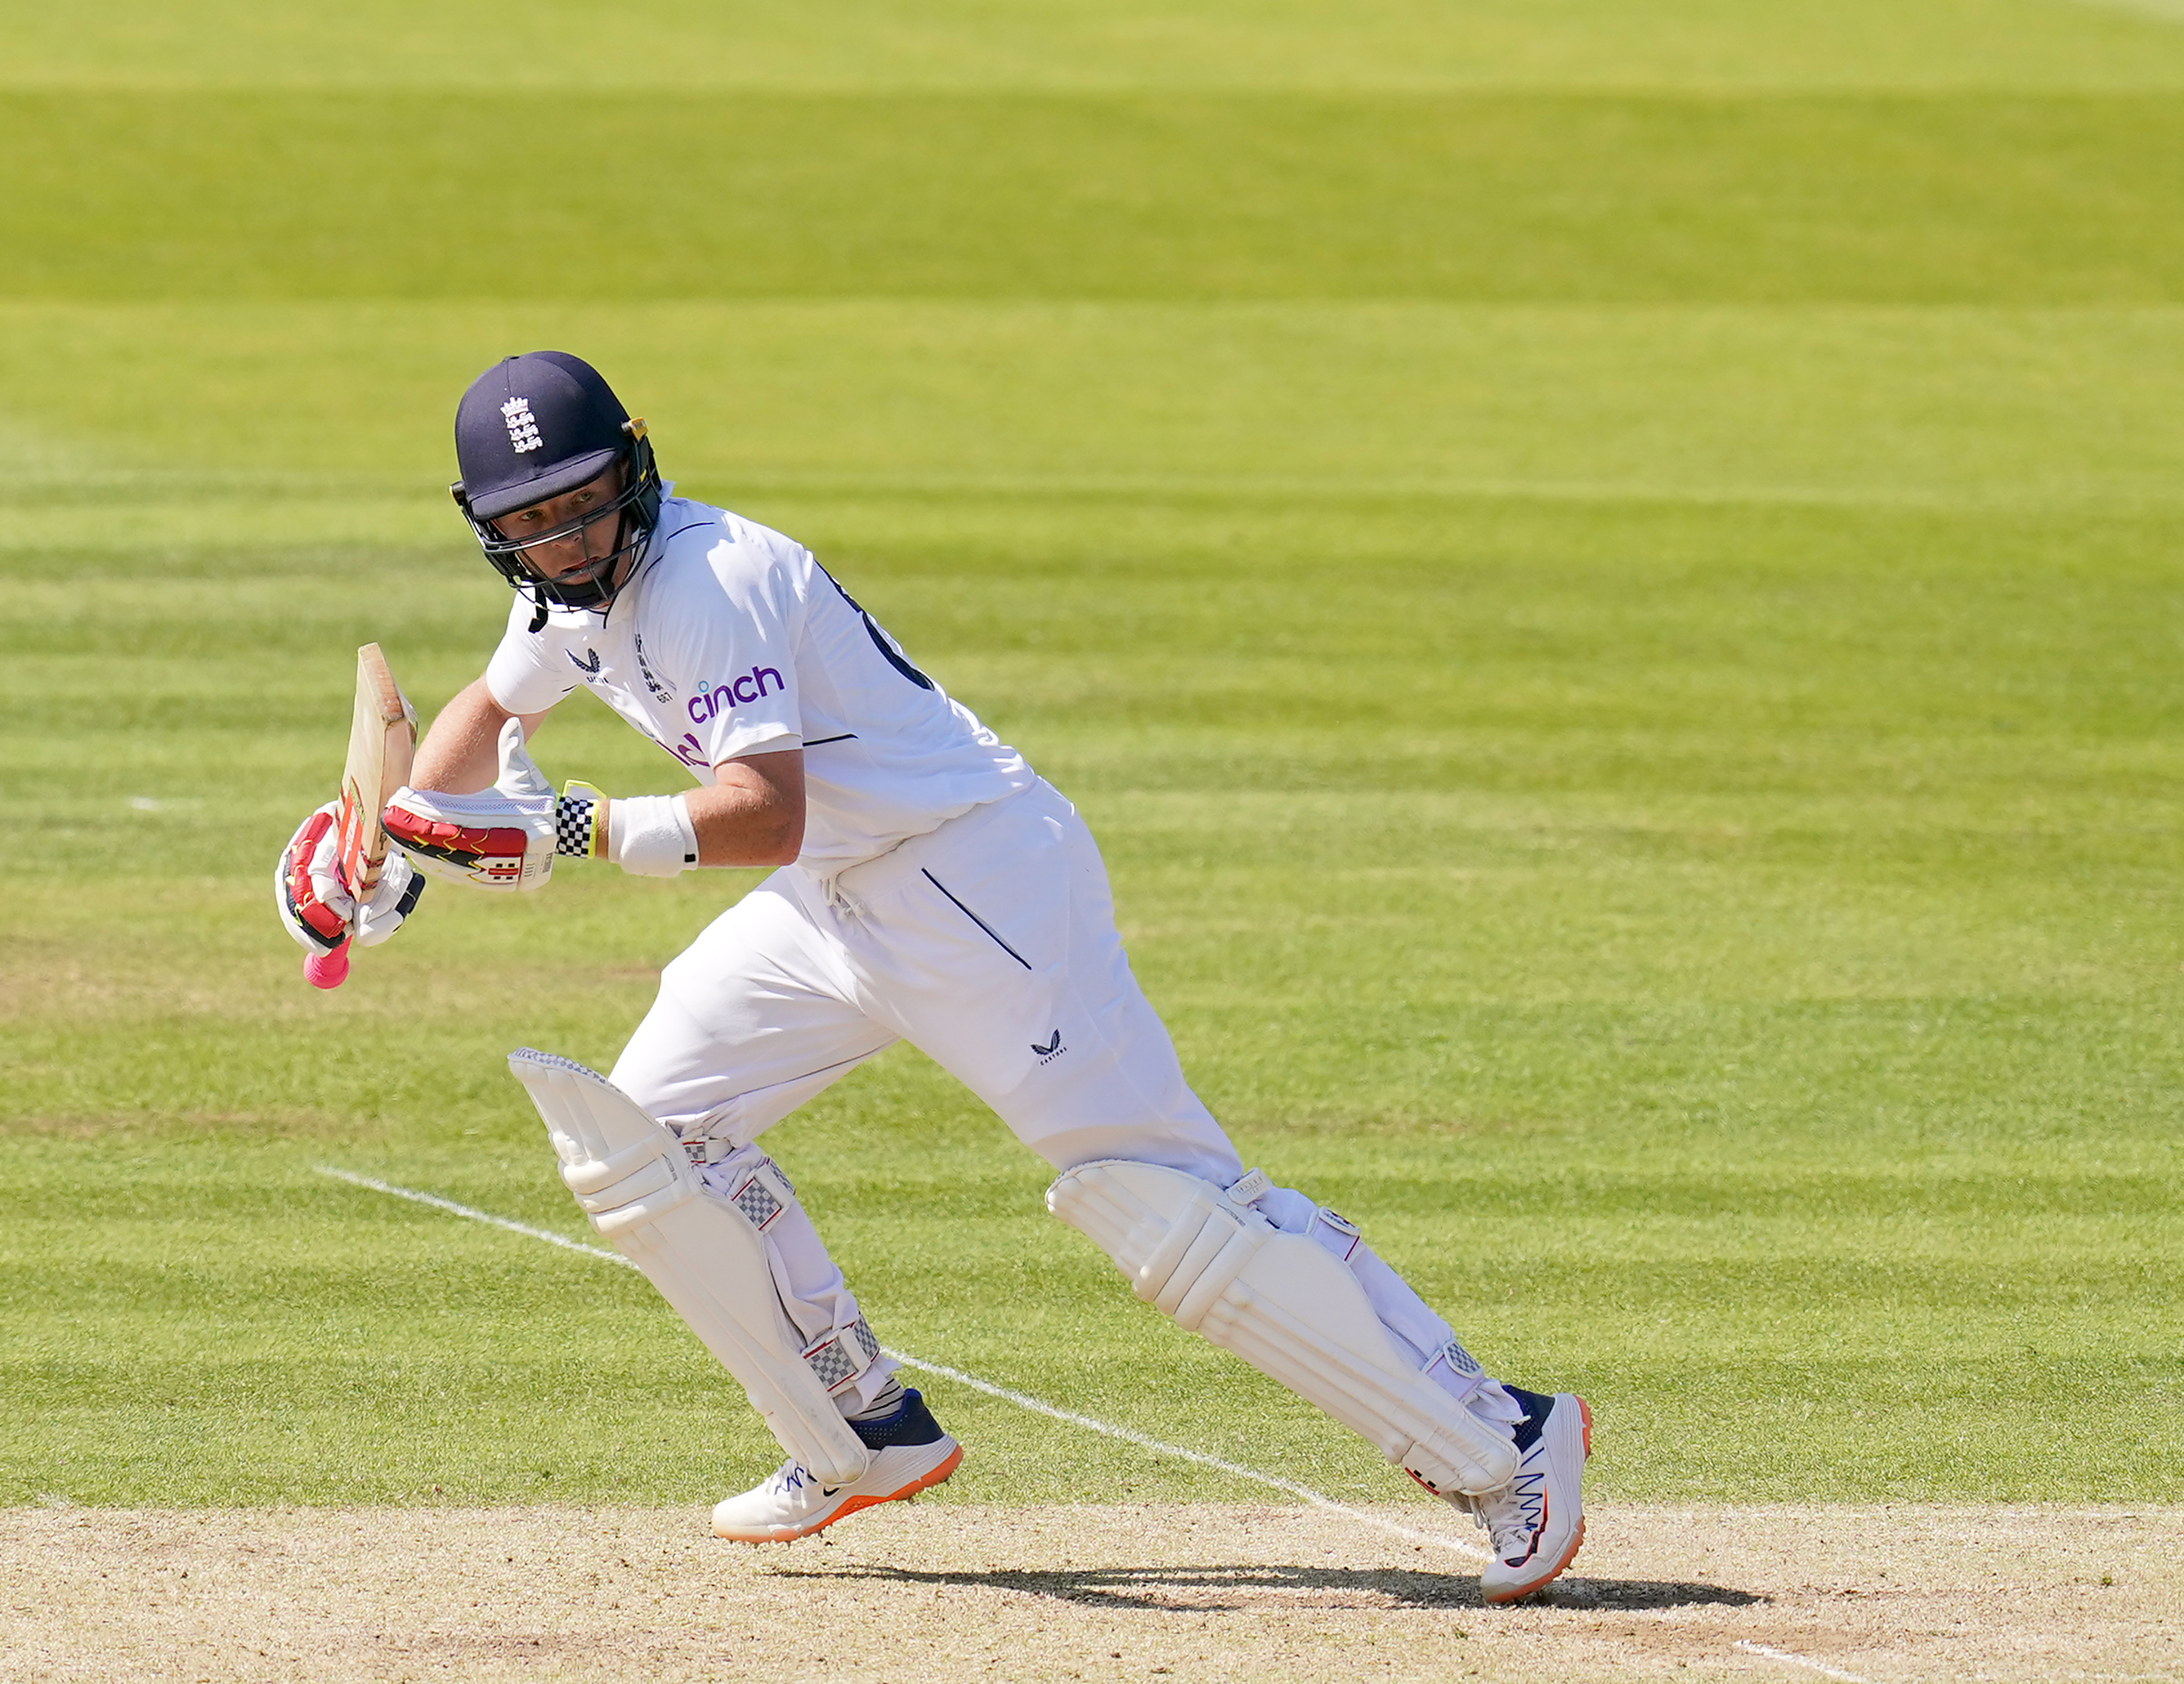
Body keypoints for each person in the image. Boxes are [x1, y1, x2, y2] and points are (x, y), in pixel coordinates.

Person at [275, 352, 1589, 1601]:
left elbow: (762, 813)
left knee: (1164, 1206)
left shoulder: (706, 579)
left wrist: (569, 828)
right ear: (492, 527)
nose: (566, 538)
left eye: (582, 504)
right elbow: (484, 724)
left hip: (973, 884)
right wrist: (384, 861)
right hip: (836, 901)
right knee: (648, 1139)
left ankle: (1504, 1441)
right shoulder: (564, 593)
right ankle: (859, 1431)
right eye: (534, 522)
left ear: (632, 470)